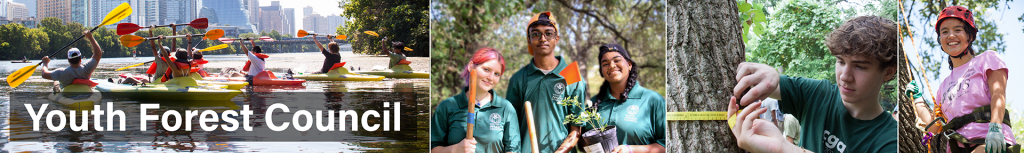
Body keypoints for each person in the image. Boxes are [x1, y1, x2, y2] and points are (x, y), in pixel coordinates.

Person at [728, 16, 898, 152]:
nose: (844, 76)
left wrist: (783, 149)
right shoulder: (818, 94)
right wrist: (770, 77)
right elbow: (773, 85)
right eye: (840, 61)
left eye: (860, 66)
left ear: (888, 72)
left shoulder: (892, 140)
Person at [929, 6, 1015, 153]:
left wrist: (995, 129)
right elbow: (933, 128)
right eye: (945, 32)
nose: (951, 36)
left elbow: (998, 95)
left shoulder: (987, 59)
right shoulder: (943, 87)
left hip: (990, 141)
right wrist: (917, 99)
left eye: (958, 30)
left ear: (970, 35)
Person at [505, 11, 585, 153]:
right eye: (536, 34)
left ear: (557, 39)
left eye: (548, 33)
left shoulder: (572, 75)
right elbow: (510, 127)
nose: (543, 39)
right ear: (529, 40)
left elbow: (576, 130)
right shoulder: (518, 79)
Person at [431, 48, 520, 153]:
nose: (491, 78)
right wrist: (455, 149)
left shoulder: (506, 108)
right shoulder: (447, 106)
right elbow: (432, 149)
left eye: (496, 74)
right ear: (471, 67)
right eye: (486, 69)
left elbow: (513, 149)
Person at [585, 44, 665, 152]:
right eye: (605, 64)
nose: (612, 66)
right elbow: (582, 142)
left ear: (629, 65)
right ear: (602, 71)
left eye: (617, 60)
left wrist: (630, 149)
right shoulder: (592, 104)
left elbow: (668, 145)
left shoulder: (653, 100)